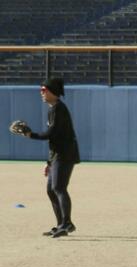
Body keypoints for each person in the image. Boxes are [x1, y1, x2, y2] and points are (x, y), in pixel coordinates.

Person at [26, 77, 81, 238]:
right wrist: (49, 162)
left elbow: (51, 134)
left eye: (44, 90)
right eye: (41, 90)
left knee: (58, 188)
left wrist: (31, 135)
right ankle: (61, 225)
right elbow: (55, 138)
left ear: (53, 92)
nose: (41, 93)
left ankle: (67, 223)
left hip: (65, 154)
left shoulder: (58, 108)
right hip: (58, 155)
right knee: (51, 190)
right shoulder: (53, 109)